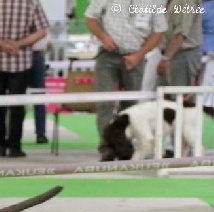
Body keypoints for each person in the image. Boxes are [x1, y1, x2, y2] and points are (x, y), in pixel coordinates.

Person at [85, 0, 167, 162]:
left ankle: (125, 147)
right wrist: (104, 37)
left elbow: (159, 31)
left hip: (136, 57)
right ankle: (107, 147)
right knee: (105, 104)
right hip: (107, 56)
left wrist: (139, 55)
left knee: (131, 107)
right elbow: (90, 17)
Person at [0, 0, 49, 158]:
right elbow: (41, 31)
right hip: (21, 61)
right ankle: (15, 146)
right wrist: (18, 43)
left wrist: (1, 43)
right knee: (17, 106)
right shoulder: (32, 3)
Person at [156, 0, 203, 104]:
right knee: (165, 100)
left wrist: (166, 59)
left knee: (181, 101)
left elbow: (181, 33)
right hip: (171, 54)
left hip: (183, 56)